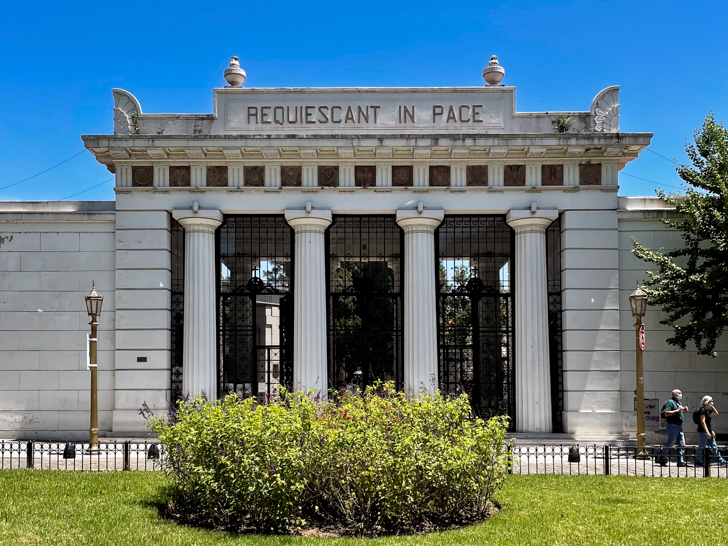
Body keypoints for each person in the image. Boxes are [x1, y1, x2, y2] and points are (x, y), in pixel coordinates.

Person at [695, 396, 727, 467]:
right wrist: (707, 432)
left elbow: (716, 413)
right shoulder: (702, 410)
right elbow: (703, 422)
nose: (712, 402)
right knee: (701, 447)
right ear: (707, 402)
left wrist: (712, 406)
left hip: (708, 431)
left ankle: (722, 461)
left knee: (714, 446)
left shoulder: (708, 410)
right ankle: (697, 461)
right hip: (703, 432)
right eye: (711, 401)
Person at [659, 389, 688, 466]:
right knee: (670, 443)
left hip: (679, 425)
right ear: (674, 395)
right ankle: (662, 458)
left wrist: (683, 409)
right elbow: (667, 413)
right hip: (673, 425)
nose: (681, 394)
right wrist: (677, 410)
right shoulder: (670, 402)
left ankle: (680, 462)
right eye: (679, 393)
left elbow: (679, 411)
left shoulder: (679, 402)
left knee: (682, 444)